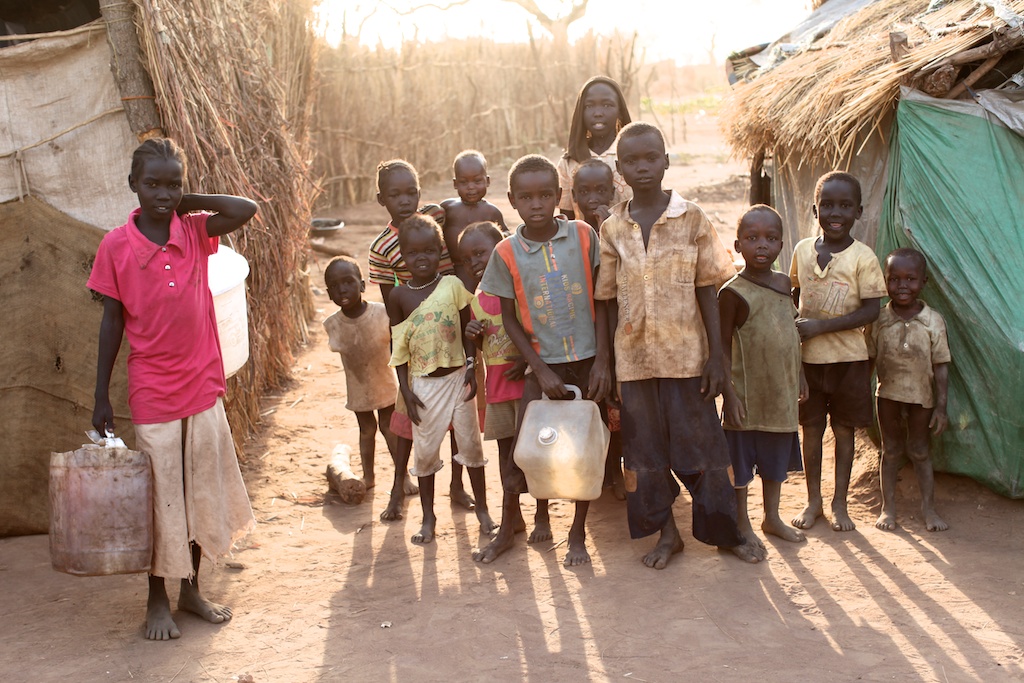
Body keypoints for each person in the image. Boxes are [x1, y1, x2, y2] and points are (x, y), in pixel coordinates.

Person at [88, 138, 258, 640]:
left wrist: (184, 201)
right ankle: (156, 598)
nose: (163, 193)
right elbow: (111, 323)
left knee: (200, 489)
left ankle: (191, 589)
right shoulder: (116, 246)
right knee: (162, 500)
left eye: (172, 184)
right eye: (152, 184)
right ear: (132, 186)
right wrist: (101, 395)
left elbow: (243, 209)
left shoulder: (195, 229)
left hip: (202, 383)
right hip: (154, 391)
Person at [595, 122, 765, 569]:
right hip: (634, 362)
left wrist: (716, 358)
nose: (643, 166)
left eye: (651, 157)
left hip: (688, 358)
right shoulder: (613, 228)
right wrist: (607, 363)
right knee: (645, 454)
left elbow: (709, 289)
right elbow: (608, 300)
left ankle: (727, 535)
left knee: (705, 450)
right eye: (631, 160)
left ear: (666, 161)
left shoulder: (692, 217)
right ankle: (668, 536)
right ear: (620, 169)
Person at [474, 154, 611, 567]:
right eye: (527, 197)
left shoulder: (585, 236)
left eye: (546, 195)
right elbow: (508, 317)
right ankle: (513, 527)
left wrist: (604, 360)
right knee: (529, 449)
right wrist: (539, 367)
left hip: (588, 364)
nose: (537, 204)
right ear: (513, 200)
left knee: (583, 451)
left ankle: (577, 535)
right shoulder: (506, 252)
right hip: (543, 367)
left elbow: (603, 302)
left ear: (558, 196)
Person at [367, 159, 473, 519]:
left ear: (420, 192)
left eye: (411, 191)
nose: (404, 200)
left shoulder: (434, 217)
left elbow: (461, 211)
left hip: (452, 332)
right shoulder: (382, 247)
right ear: (381, 199)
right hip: (417, 339)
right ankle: (398, 488)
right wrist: (409, 344)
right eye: (394, 194)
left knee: (461, 415)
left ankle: (457, 485)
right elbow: (389, 301)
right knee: (408, 417)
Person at [388, 214, 495, 544]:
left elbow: (468, 331)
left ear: (440, 253)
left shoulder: (452, 286)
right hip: (422, 386)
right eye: (414, 253)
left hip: (458, 380)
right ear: (403, 257)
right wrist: (405, 389)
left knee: (471, 448)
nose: (422, 259)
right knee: (425, 455)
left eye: (430, 251)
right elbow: (399, 348)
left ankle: (483, 510)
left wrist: (470, 367)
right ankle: (429, 517)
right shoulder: (399, 298)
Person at [789, 170, 886, 532]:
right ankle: (813, 501)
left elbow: (871, 311)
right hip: (809, 362)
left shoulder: (864, 258)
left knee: (844, 432)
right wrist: (798, 326)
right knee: (811, 431)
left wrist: (820, 327)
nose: (835, 212)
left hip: (849, 362)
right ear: (815, 210)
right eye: (827, 205)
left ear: (858, 211)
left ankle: (839, 503)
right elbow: (796, 297)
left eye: (845, 206)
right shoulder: (801, 250)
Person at [719, 206, 808, 549]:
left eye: (770, 239)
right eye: (752, 238)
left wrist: (799, 374)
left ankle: (772, 518)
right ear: (738, 245)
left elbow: (790, 333)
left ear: (781, 245)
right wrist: (729, 393)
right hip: (746, 396)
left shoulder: (784, 284)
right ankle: (743, 522)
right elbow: (722, 348)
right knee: (740, 468)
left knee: (775, 464)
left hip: (780, 394)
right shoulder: (732, 292)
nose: (762, 246)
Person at [458, 221, 536, 535]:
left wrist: (525, 358)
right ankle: (513, 516)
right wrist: (473, 336)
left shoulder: (520, 291)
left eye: (481, 253)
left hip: (527, 386)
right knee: (506, 455)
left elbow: (535, 330)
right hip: (498, 390)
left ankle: (541, 516)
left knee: (534, 453)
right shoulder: (475, 300)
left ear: (501, 248)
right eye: (468, 258)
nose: (475, 262)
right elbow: (484, 345)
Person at [867, 248, 950, 532]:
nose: (902, 286)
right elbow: (869, 359)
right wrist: (863, 399)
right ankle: (888, 509)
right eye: (894, 279)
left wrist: (941, 406)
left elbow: (941, 365)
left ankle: (929, 510)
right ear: (885, 281)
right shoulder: (879, 319)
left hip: (922, 398)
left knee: (920, 451)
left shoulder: (933, 321)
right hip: (887, 394)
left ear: (923, 281)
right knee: (890, 451)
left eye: (911, 279)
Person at [571, 158, 626, 499]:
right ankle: (600, 471)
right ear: (573, 195)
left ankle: (618, 471)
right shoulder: (569, 234)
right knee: (592, 405)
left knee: (617, 405)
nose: (593, 197)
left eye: (601, 190)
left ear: (614, 191)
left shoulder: (622, 226)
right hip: (584, 335)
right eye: (585, 191)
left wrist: (608, 228)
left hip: (619, 331)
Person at [322, 256, 400, 490]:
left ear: (363, 285)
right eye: (335, 286)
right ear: (328, 293)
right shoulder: (332, 325)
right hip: (358, 387)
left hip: (385, 383)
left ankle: (402, 475)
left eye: (348, 282)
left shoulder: (382, 314)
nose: (342, 289)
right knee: (366, 430)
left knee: (389, 427)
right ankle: (369, 477)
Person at [557, 76, 633, 221]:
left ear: (620, 111)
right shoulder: (569, 162)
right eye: (589, 106)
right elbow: (566, 218)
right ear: (581, 112)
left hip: (630, 241)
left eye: (607, 105)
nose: (598, 113)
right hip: (583, 242)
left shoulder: (632, 155)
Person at [440, 150, 508, 288]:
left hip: (485, 271)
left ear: (487, 181)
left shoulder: (491, 212)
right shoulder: (448, 209)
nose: (471, 187)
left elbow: (505, 237)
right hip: (454, 269)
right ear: (455, 184)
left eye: (477, 181)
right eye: (464, 182)